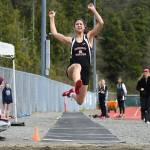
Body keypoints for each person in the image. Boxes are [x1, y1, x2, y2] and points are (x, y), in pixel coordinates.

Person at [48, 3, 104, 105]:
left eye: (80, 24)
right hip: (72, 69)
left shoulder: (89, 37)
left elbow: (101, 23)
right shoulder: (71, 40)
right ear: (74, 27)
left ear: (84, 27)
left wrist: (94, 10)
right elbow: (55, 34)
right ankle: (77, 83)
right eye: (77, 24)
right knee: (77, 66)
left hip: (85, 73)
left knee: (80, 101)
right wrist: (52, 18)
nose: (79, 25)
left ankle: (71, 93)